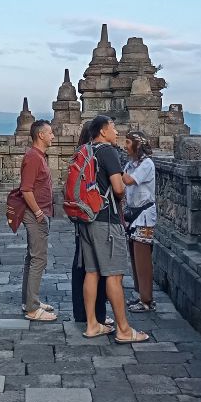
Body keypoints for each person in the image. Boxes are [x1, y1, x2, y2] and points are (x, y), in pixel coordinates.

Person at [79, 115, 149, 343]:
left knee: (92, 272)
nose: (116, 132)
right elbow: (118, 188)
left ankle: (92, 325)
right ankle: (124, 330)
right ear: (102, 131)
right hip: (106, 219)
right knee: (114, 275)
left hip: (86, 218)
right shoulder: (108, 151)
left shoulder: (85, 150)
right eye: (113, 127)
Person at [71, 122, 110, 328]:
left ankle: (81, 312)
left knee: (81, 263)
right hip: (95, 216)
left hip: (81, 215)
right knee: (95, 268)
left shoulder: (79, 156)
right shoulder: (95, 156)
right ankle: (97, 315)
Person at [19, 120, 58, 321]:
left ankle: (29, 300)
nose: (53, 136)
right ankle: (32, 308)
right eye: (50, 133)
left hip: (39, 212)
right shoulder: (33, 157)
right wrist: (38, 212)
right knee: (38, 259)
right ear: (41, 135)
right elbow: (26, 189)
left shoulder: (38, 156)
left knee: (32, 258)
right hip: (36, 214)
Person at [122, 131, 157, 312]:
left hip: (144, 215)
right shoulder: (130, 164)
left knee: (142, 258)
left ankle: (147, 299)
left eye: (128, 142)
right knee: (134, 257)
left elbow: (128, 181)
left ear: (137, 145)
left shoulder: (147, 164)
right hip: (133, 214)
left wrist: (112, 168)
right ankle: (139, 293)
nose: (125, 146)